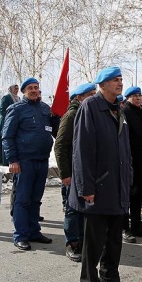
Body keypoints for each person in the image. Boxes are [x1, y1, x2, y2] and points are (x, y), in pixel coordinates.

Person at [69, 67, 134, 282]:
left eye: (121, 80)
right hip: (98, 187)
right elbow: (82, 151)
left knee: (114, 240)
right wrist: (86, 188)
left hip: (118, 188)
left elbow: (125, 150)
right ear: (102, 85)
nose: (120, 83)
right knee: (94, 243)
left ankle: (110, 280)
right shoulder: (91, 107)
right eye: (114, 80)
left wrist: (129, 179)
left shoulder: (119, 109)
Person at [2, 77, 59, 251]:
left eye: (36, 87)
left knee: (36, 199)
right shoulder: (16, 109)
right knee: (23, 199)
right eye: (30, 88)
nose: (34, 90)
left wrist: (57, 116)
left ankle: (34, 231)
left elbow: (55, 130)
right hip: (24, 162)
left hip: (42, 161)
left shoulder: (44, 109)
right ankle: (21, 235)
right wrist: (12, 160)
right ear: (24, 91)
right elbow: (7, 136)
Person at [54, 83, 96, 262]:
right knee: (73, 210)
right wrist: (65, 174)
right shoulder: (72, 115)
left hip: (86, 172)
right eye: (90, 95)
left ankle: (84, 241)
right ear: (79, 98)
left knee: (85, 209)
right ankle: (73, 244)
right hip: (73, 171)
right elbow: (61, 145)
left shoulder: (89, 113)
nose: (94, 98)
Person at [120, 86, 142, 244]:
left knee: (138, 194)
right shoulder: (124, 111)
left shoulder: (140, 112)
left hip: (141, 159)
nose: (138, 98)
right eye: (134, 96)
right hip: (130, 158)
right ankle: (125, 227)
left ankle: (137, 225)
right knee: (128, 195)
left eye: (140, 95)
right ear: (127, 98)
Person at [0, 84, 19, 166]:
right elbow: (2, 110)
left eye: (17, 89)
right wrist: (10, 116)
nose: (16, 90)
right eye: (15, 89)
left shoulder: (18, 99)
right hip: (6, 122)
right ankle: (4, 160)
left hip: (15, 122)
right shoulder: (6, 98)